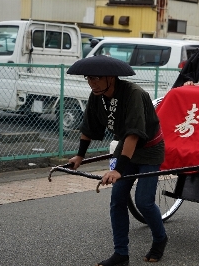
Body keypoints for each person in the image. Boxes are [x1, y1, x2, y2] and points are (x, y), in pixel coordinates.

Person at [66, 55, 168, 266]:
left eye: (96, 78)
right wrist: (80, 156)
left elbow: (133, 134)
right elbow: (88, 127)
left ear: (110, 77)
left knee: (144, 201)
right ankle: (121, 253)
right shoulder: (97, 95)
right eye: (88, 78)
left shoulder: (134, 94)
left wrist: (118, 170)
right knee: (117, 199)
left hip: (149, 148)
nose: (91, 82)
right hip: (126, 147)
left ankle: (160, 238)